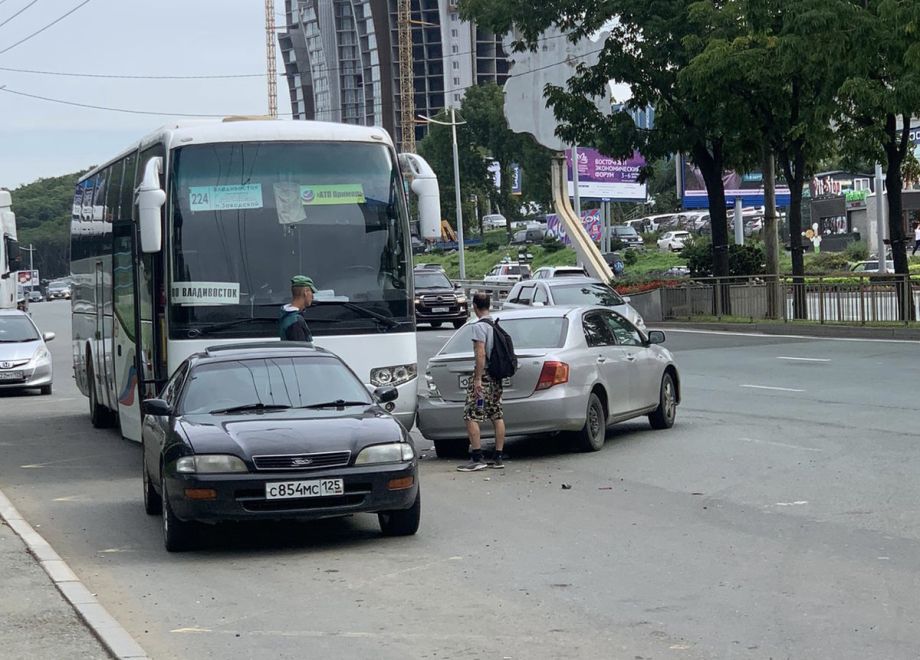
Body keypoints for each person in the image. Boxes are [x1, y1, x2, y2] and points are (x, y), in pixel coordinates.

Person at [457, 292, 506, 472]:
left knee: (470, 414)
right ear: (489, 305)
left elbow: (480, 353)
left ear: (475, 307)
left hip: (484, 376)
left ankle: (477, 457)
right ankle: (498, 457)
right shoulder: (495, 324)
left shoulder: (479, 327)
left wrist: (477, 378)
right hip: (496, 377)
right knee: (496, 414)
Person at [279, 275, 317, 342]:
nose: (313, 297)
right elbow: (301, 350)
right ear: (305, 292)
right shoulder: (295, 322)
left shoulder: (286, 315)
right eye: (312, 292)